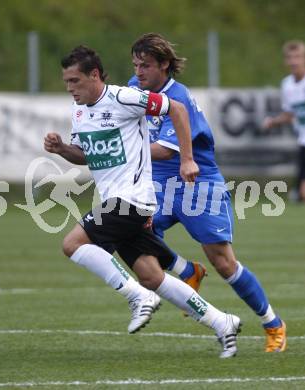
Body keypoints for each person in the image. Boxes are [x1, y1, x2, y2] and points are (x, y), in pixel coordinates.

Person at [44, 45, 242, 358]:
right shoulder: (80, 111)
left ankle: (138, 297)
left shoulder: (124, 97)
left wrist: (186, 160)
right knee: (151, 275)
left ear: (94, 75)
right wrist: (61, 150)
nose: (70, 88)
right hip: (115, 199)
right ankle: (222, 322)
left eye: (75, 81)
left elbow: (176, 109)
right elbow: (85, 156)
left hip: (133, 199)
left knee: (72, 244)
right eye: (66, 82)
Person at [127, 33, 286, 353]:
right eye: (135, 65)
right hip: (157, 182)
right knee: (131, 231)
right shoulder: (134, 87)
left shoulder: (179, 98)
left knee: (224, 263)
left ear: (165, 65)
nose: (139, 71)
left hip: (196, 182)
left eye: (145, 65)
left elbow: (165, 151)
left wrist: (124, 148)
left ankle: (273, 323)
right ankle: (187, 271)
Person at [263, 40, 305, 203]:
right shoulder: (287, 84)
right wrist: (273, 121)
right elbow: (290, 114)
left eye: (298, 57)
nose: (294, 61)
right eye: (290, 57)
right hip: (303, 141)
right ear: (286, 60)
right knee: (301, 193)